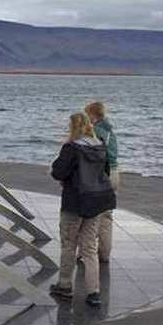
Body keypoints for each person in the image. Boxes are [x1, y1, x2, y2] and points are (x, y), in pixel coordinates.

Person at [49, 112, 116, 307]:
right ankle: (94, 292)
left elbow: (58, 172)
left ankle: (64, 285)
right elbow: (106, 172)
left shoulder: (71, 148)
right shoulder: (100, 146)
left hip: (74, 201)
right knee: (90, 248)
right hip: (96, 202)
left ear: (73, 127)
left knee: (69, 244)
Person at [85, 101, 119, 263]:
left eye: (87, 114)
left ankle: (87, 253)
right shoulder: (110, 131)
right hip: (114, 172)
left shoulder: (95, 131)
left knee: (90, 217)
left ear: (92, 114)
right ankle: (104, 254)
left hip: (100, 174)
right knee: (107, 217)